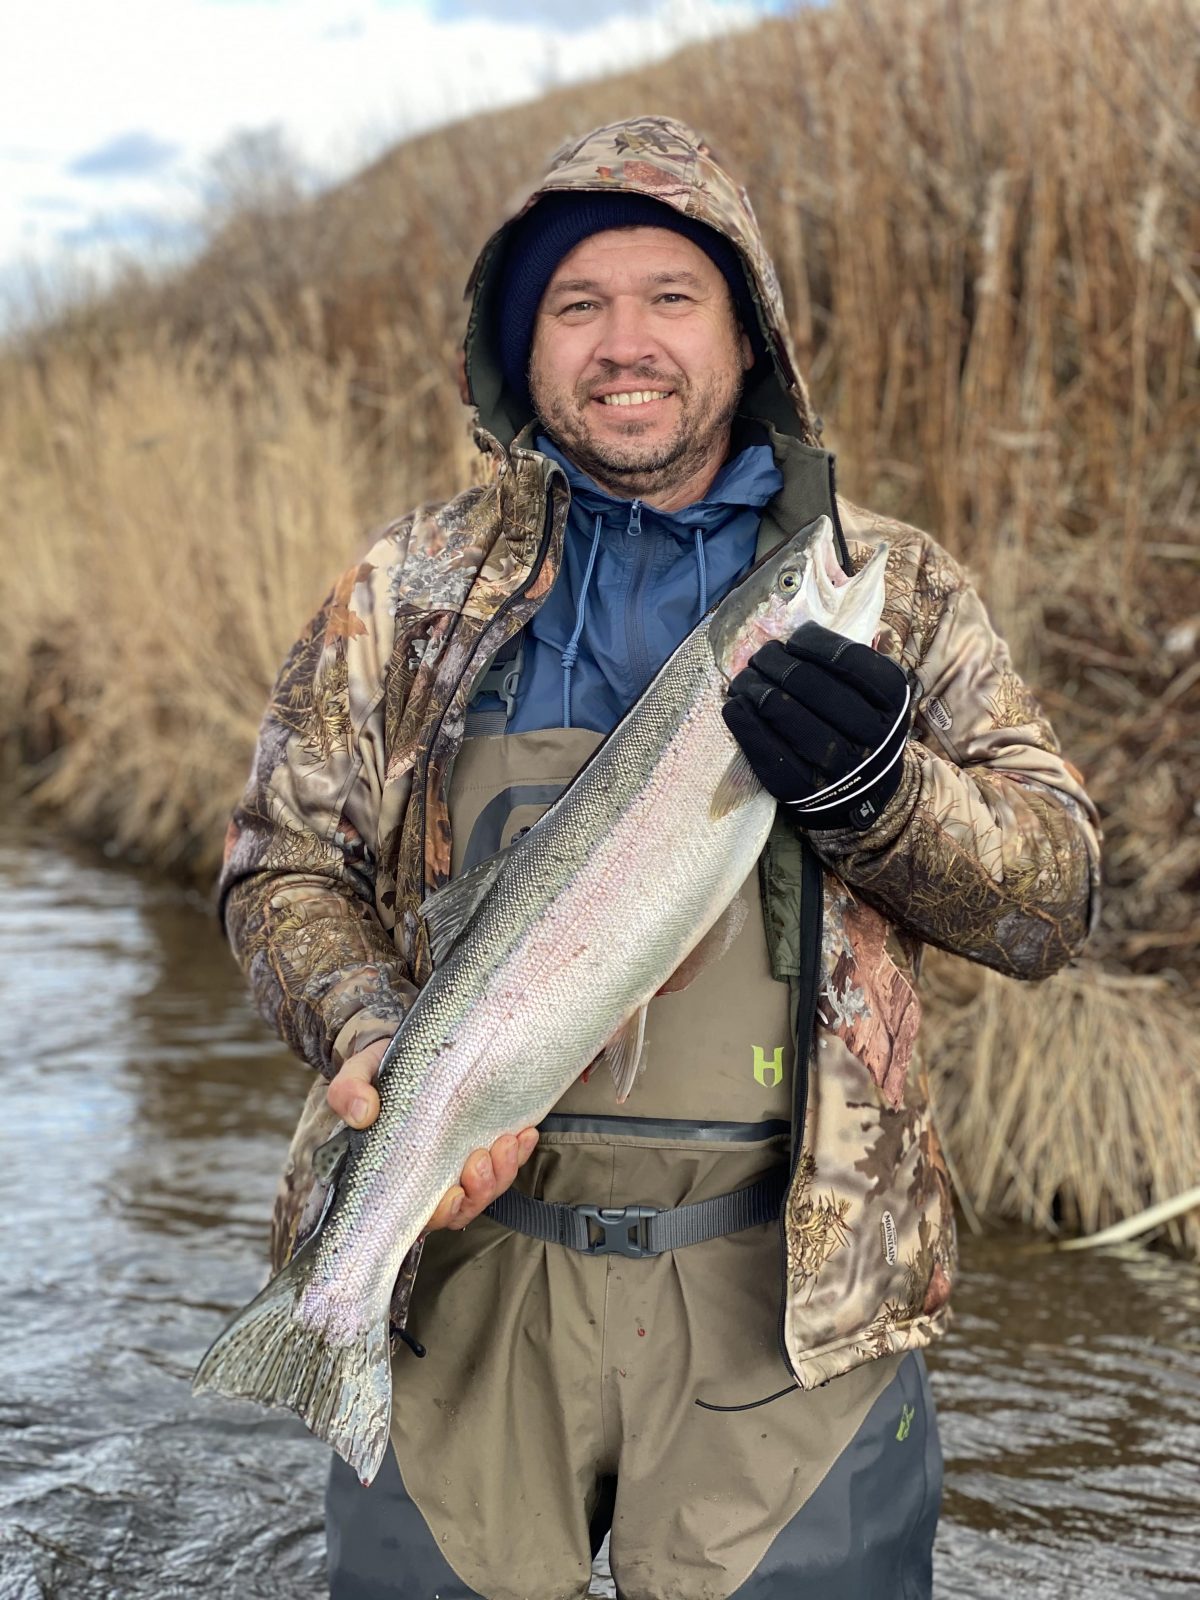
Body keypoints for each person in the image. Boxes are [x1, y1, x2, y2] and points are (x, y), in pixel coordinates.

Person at [218, 116, 1099, 1600]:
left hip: (793, 1304)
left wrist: (891, 795)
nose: (626, 341)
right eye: (579, 305)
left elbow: (1054, 897)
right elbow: (277, 868)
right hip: (464, 1268)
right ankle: (328, 1330)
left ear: (745, 337)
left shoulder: (902, 590)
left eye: (671, 298)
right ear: (524, 347)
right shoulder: (407, 591)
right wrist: (379, 1033)